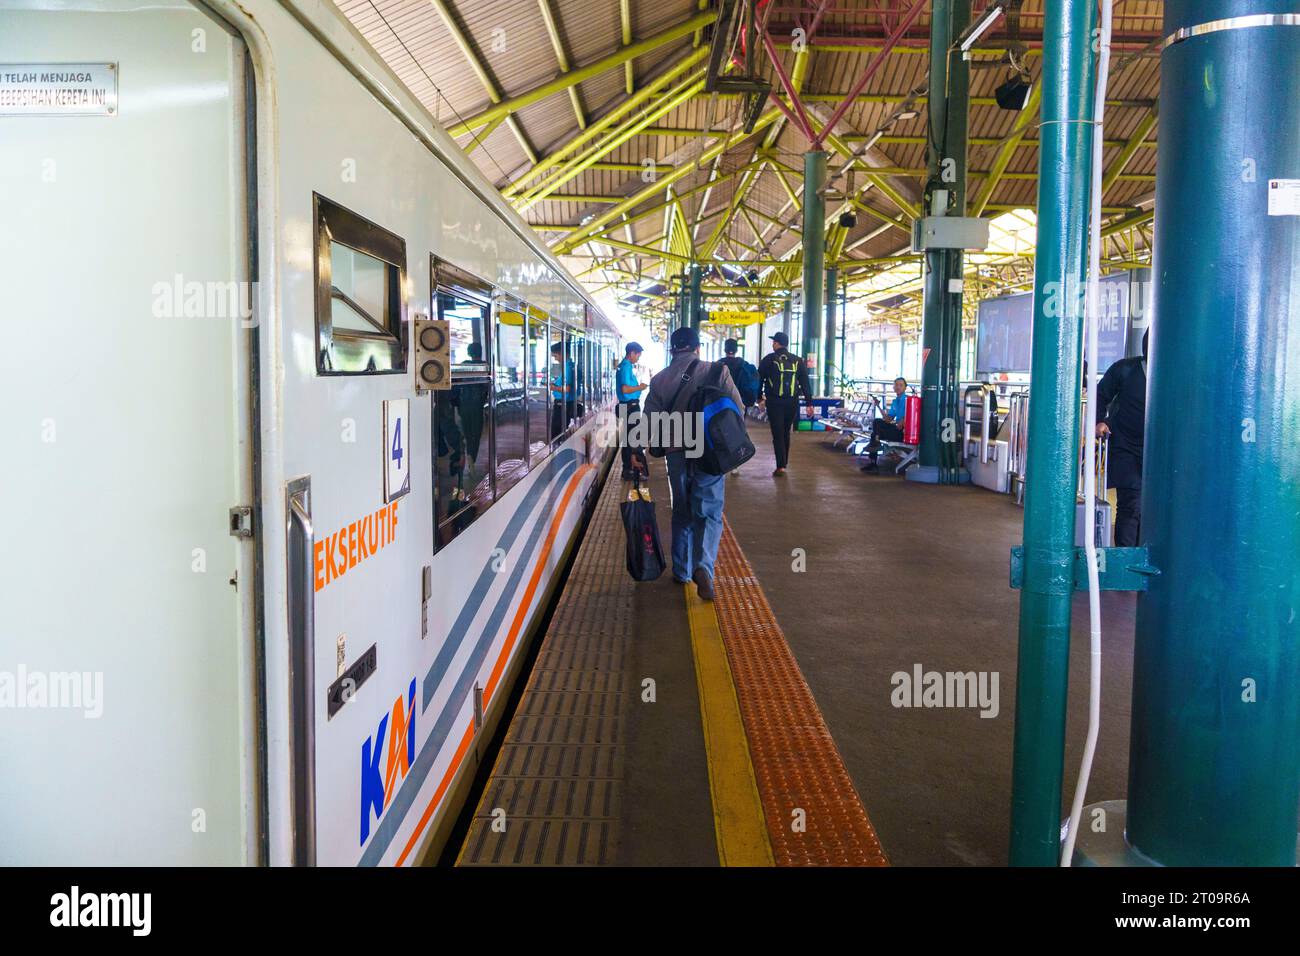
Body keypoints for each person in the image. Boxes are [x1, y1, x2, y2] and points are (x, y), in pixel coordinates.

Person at [643, 326, 744, 601]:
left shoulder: (659, 380)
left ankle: (682, 570)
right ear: (698, 348)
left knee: (682, 508)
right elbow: (738, 409)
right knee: (709, 511)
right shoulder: (717, 371)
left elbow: (649, 421)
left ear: (672, 350)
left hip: (677, 452)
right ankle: (704, 567)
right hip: (711, 452)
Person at [1095, 329, 1148, 547]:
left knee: (1151, 507)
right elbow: (1100, 394)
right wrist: (1100, 421)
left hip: (1158, 451)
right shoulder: (1125, 369)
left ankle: (1143, 556)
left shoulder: (1178, 376)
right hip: (1125, 446)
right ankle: (1126, 561)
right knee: (1131, 503)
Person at [757, 331, 813, 476]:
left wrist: (759, 398)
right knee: (785, 431)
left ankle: (780, 465)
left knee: (777, 433)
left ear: (776, 343)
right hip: (792, 402)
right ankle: (784, 463)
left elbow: (759, 380)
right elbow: (805, 383)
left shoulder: (769, 359)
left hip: (774, 402)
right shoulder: (797, 360)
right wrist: (809, 403)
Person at [860, 377, 909, 473]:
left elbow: (911, 413)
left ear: (905, 388)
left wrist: (903, 420)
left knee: (875, 432)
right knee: (876, 423)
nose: (898, 387)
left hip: (903, 432)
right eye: (896, 385)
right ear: (893, 387)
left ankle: (873, 462)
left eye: (901, 385)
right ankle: (876, 444)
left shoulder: (907, 400)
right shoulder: (895, 402)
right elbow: (888, 419)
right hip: (896, 429)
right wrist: (878, 405)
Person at [616, 342, 649, 480]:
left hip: (628, 407)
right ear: (632, 353)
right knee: (631, 440)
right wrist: (641, 387)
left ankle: (629, 468)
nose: (638, 358)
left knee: (630, 439)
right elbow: (625, 389)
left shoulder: (626, 366)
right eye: (638, 355)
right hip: (629, 407)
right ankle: (629, 470)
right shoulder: (625, 367)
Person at [717, 338, 760, 411]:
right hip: (740, 403)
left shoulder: (718, 365)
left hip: (722, 403)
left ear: (725, 350)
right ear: (736, 350)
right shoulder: (744, 365)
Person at [549, 341, 576, 440]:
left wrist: (553, 387)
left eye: (556, 356)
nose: (556, 359)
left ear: (562, 353)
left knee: (557, 434)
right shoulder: (571, 366)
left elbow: (567, 389)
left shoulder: (568, 368)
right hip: (566, 404)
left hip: (562, 405)